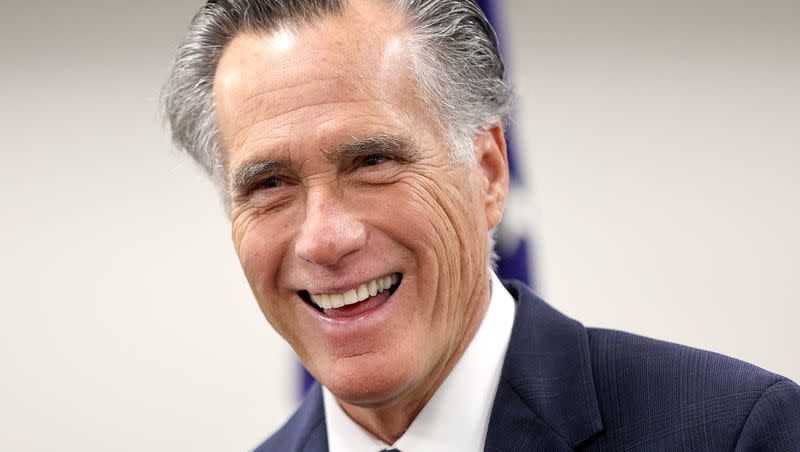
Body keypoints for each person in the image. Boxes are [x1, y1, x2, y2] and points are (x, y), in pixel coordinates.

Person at [163, 1, 800, 450]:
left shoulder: (738, 432)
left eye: (372, 162)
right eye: (270, 185)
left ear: (489, 172)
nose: (325, 239)